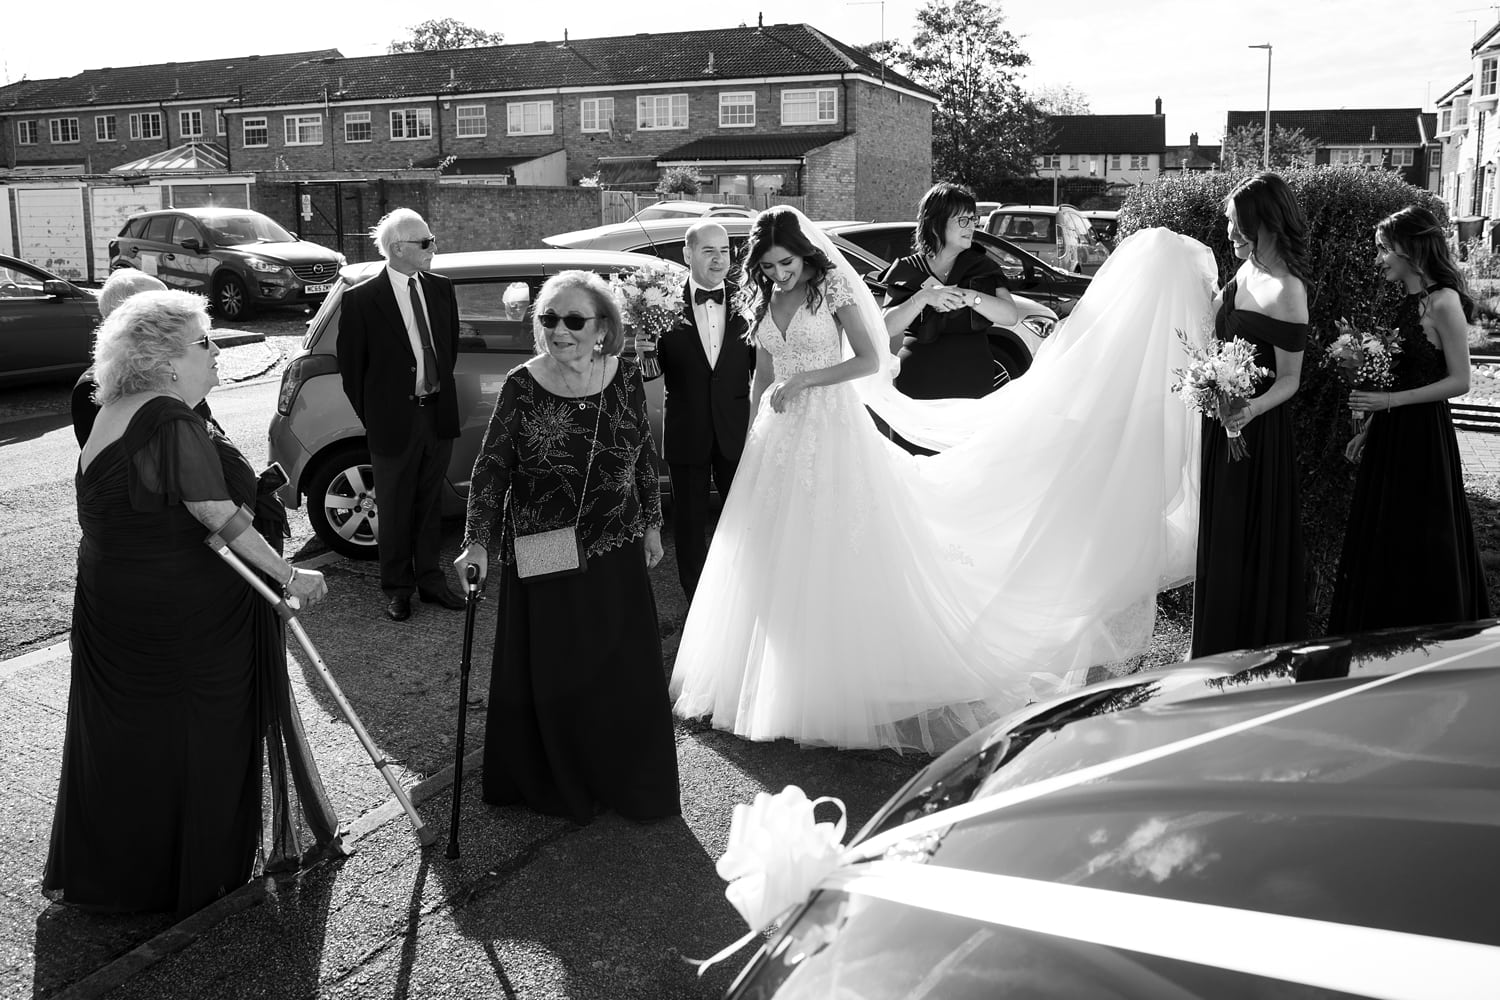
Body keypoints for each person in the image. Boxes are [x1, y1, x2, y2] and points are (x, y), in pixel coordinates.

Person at [669, 207, 1214, 752]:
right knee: (773, 553)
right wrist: (751, 439)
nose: (777, 274)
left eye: (784, 263)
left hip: (831, 429)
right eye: (767, 267)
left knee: (835, 546)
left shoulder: (829, 288)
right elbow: (764, 375)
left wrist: (806, 378)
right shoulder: (767, 296)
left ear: (804, 253)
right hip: (779, 438)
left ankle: (840, 677)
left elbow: (868, 358)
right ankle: (770, 681)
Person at [45, 290, 336, 915]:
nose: (215, 353)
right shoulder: (169, 419)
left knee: (130, 738)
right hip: (179, 615)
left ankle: (130, 871)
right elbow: (219, 517)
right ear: (166, 361)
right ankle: (194, 872)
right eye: (204, 343)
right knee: (195, 731)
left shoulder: (117, 407)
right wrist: (291, 575)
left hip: (112, 602)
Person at [454, 271, 679, 824]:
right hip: (543, 550)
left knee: (618, 672)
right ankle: (563, 778)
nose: (559, 330)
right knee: (559, 673)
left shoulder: (623, 378)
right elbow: (490, 471)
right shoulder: (522, 385)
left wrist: (651, 522)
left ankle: (621, 777)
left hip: (617, 546)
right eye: (549, 319)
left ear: (603, 326)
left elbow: (642, 455)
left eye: (573, 319)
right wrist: (476, 544)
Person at [1329, 206, 1490, 631]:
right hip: (1392, 436)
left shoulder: (1444, 302)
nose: (1379, 259)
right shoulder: (1407, 303)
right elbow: (1398, 378)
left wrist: (1391, 402)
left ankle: (1428, 633)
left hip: (1423, 439)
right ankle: (1384, 631)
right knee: (1387, 536)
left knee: (1422, 535)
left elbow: (1460, 381)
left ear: (1410, 250)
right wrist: (1370, 431)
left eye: (1384, 250)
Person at [1190, 172, 1310, 658]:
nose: (1230, 235)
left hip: (1256, 434)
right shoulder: (1243, 274)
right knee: (1219, 536)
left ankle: (1251, 650)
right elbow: (1209, 322)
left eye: (1237, 226)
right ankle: (1214, 647)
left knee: (1247, 537)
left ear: (1264, 224)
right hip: (1221, 425)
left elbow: (1290, 379)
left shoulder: (1288, 291)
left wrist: (1248, 408)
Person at [337, 208, 464, 622]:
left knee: (430, 507)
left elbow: (449, 349)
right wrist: (378, 417)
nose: (433, 248)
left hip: (436, 415)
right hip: (393, 423)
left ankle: (430, 580)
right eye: (425, 242)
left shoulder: (442, 289)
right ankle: (397, 588)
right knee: (392, 509)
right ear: (397, 249)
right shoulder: (361, 300)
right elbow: (352, 372)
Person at [645, 220, 756, 600]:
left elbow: (762, 366)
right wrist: (643, 350)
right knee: (690, 527)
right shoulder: (658, 302)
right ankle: (696, 601)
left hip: (737, 429)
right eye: (709, 251)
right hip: (686, 429)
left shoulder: (747, 300)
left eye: (724, 251)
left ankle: (742, 596)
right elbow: (650, 373)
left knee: (742, 520)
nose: (719, 259)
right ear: (687, 254)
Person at [879, 182, 1018, 401]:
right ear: (935, 225)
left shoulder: (983, 266)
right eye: (963, 220)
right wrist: (923, 297)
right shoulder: (908, 268)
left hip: (973, 377)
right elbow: (887, 326)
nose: (971, 226)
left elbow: (1010, 316)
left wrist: (972, 297)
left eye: (973, 219)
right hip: (918, 379)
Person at [71, 268, 169, 447]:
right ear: (127, 319)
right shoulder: (94, 386)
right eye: (164, 307)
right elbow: (106, 467)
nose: (176, 315)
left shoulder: (176, 366)